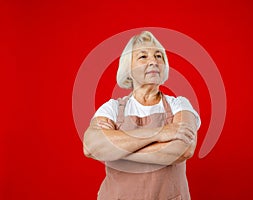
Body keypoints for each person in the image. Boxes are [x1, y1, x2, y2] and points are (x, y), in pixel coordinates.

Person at [83, 31, 201, 200]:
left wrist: (117, 151)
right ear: (128, 69)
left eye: (159, 56)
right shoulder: (112, 108)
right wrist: (159, 134)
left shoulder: (180, 105)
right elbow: (91, 146)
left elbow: (182, 150)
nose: (153, 61)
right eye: (143, 56)